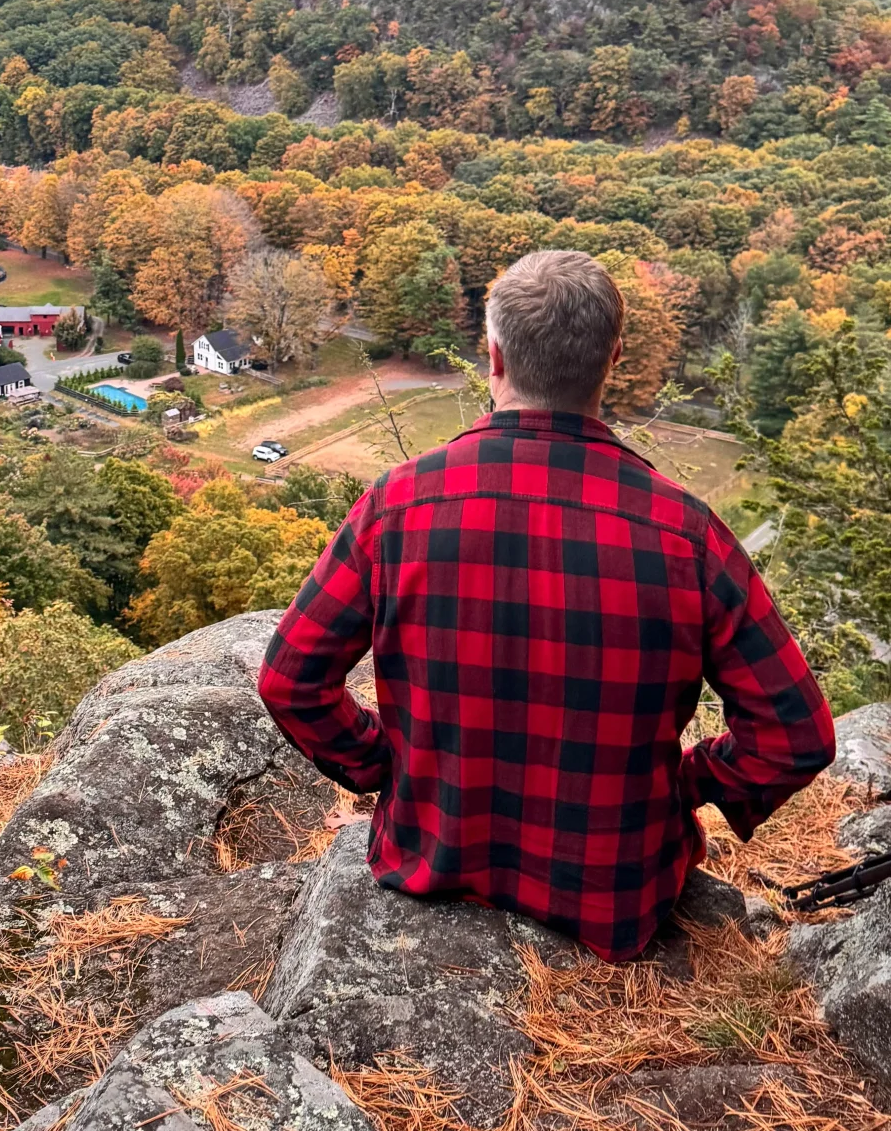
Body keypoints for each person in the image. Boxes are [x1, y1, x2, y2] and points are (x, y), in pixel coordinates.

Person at [258, 248, 834, 962]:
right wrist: (688, 783)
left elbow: (289, 679)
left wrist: (385, 766)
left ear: (493, 356)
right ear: (614, 358)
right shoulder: (687, 537)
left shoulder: (397, 505)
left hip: (432, 861)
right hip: (616, 897)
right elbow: (797, 736)